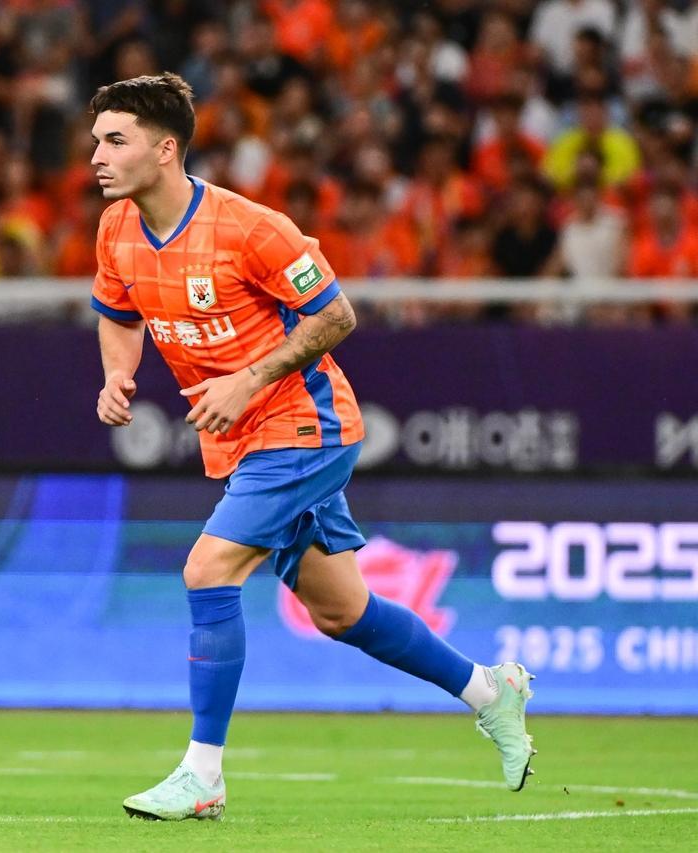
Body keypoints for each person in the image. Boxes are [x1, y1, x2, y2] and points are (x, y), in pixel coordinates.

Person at [87, 73, 536, 822]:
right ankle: (490, 690)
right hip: (243, 440)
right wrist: (116, 374)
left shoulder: (251, 228)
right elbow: (118, 310)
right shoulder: (116, 228)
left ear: (165, 149)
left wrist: (246, 380)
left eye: (114, 140)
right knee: (341, 611)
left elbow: (336, 316)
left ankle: (202, 776)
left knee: (207, 570)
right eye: (96, 141)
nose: (97, 156)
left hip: (305, 426)